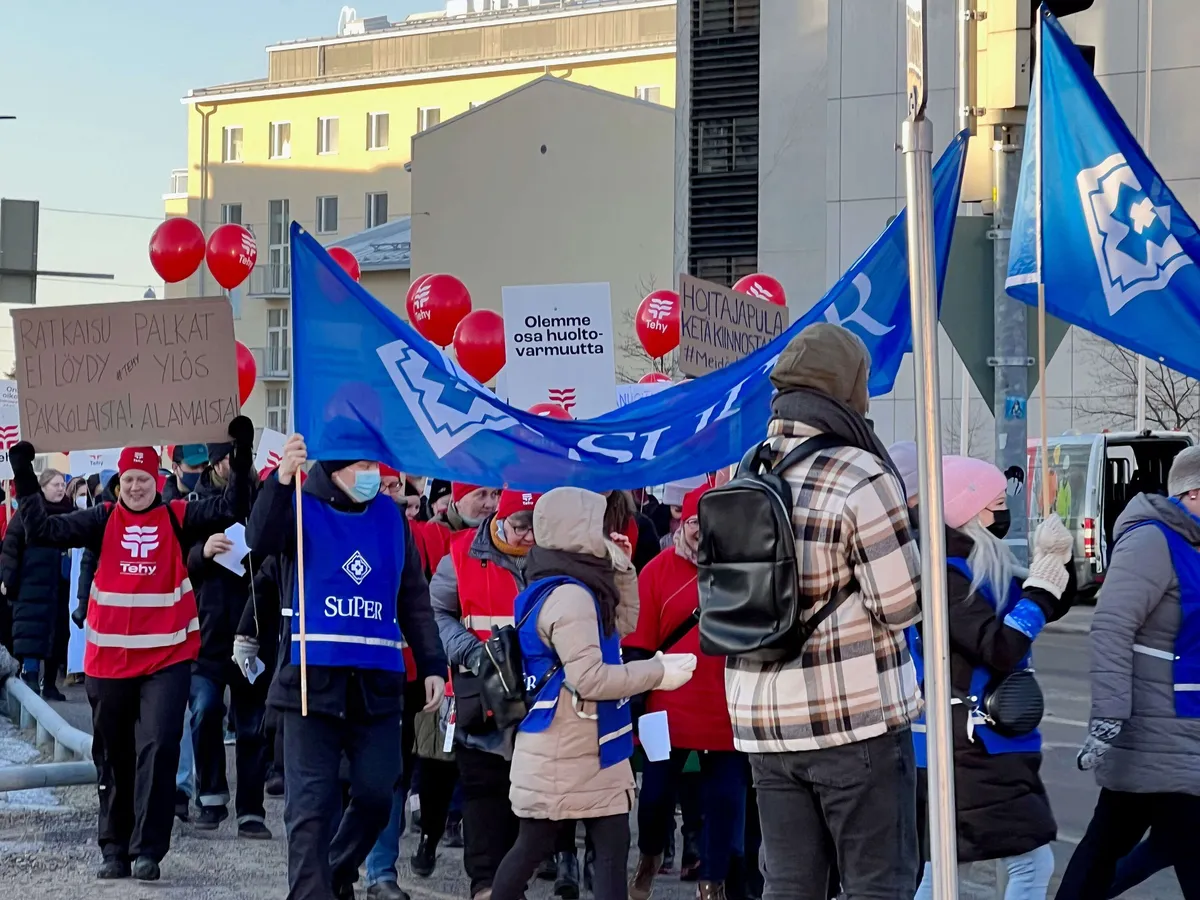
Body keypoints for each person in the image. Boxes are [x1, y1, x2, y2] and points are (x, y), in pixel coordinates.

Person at [6, 419, 255, 882]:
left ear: (157, 481)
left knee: (159, 748)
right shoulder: (101, 520)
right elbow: (42, 530)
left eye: (145, 479)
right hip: (110, 659)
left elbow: (233, 506)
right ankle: (113, 845)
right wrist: (24, 471)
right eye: (129, 480)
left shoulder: (178, 516)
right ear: (118, 483)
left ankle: (147, 849)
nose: (137, 487)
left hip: (167, 657)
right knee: (114, 754)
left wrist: (241, 455)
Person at [723, 323, 922, 900]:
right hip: (851, 719)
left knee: (790, 884)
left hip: (762, 721)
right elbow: (900, 604)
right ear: (849, 390)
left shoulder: (749, 469)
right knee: (877, 884)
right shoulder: (859, 474)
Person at [243, 435, 447, 900]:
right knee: (310, 807)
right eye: (362, 466)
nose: (373, 476)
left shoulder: (391, 518)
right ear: (335, 470)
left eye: (375, 465)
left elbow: (413, 596)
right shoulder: (298, 503)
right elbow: (259, 539)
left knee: (377, 794)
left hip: (376, 683)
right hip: (310, 682)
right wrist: (280, 481)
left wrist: (432, 662)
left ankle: (336, 869)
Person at [490, 486, 697, 900]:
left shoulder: (568, 582)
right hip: (567, 746)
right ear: (577, 530)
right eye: (599, 526)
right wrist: (656, 672)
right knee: (538, 845)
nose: (609, 533)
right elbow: (591, 677)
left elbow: (620, 626)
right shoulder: (572, 596)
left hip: (586, 743)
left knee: (605, 847)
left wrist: (620, 567)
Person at [909, 456, 1073, 899]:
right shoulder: (945, 574)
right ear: (967, 510)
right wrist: (1041, 589)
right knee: (1021, 863)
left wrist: (1056, 563)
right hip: (970, 745)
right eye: (995, 503)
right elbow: (1001, 646)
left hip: (981, 742)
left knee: (943, 868)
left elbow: (1045, 604)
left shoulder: (975, 563)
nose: (1004, 514)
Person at [1056, 446, 1200, 898]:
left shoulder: (1192, 544)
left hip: (1181, 736)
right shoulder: (1152, 541)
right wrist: (1109, 716)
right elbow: (1112, 627)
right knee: (1115, 848)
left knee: (1114, 849)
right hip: (1159, 735)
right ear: (1194, 492)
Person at [626, 484, 745, 900]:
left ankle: (712, 881)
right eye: (697, 522)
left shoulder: (740, 572)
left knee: (725, 801)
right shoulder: (656, 571)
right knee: (655, 796)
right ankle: (649, 856)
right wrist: (638, 702)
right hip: (666, 706)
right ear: (683, 522)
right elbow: (639, 644)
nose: (703, 531)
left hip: (724, 706)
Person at [430, 488, 540, 900]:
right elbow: (436, 613)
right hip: (481, 694)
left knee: (525, 795)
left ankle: (512, 883)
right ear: (499, 519)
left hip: (536, 695)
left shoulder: (552, 555)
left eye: (535, 528)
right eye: (519, 527)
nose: (528, 538)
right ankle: (486, 885)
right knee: (482, 792)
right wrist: (475, 654)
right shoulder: (459, 555)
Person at [364, 464, 454, 900]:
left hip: (406, 674)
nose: (388, 492)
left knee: (395, 773)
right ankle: (337, 860)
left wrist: (433, 663)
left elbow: (424, 606)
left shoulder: (420, 534)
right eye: (379, 485)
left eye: (394, 485)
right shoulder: (333, 524)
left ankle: (381, 870)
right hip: (344, 669)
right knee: (351, 780)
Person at [183, 440, 271, 838]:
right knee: (204, 711)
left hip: (252, 631)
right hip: (207, 631)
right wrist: (203, 551)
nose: (225, 466)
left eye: (232, 459)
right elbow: (178, 560)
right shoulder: (193, 500)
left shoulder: (263, 498)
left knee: (252, 725)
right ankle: (212, 796)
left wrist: (256, 553)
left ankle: (251, 810)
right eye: (220, 460)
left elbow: (278, 554)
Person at [1, 468, 74, 700]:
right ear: (42, 488)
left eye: (63, 484)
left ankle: (50, 683)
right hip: (32, 585)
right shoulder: (28, 513)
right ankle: (30, 680)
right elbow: (10, 548)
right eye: (55, 484)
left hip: (61, 586)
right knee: (31, 633)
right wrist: (8, 580)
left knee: (58, 633)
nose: (61, 488)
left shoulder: (72, 513)